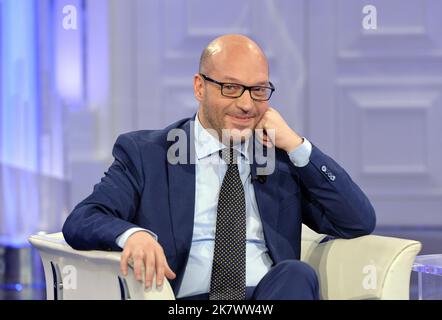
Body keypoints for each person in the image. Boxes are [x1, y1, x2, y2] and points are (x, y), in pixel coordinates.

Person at [62, 34, 376, 300]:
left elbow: (356, 221)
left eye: (258, 90)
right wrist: (133, 235)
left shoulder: (280, 160)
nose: (246, 104)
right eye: (231, 88)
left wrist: (296, 144)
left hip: (268, 295)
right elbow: (83, 218)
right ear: (200, 88)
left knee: (295, 274)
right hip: (188, 301)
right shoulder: (148, 154)